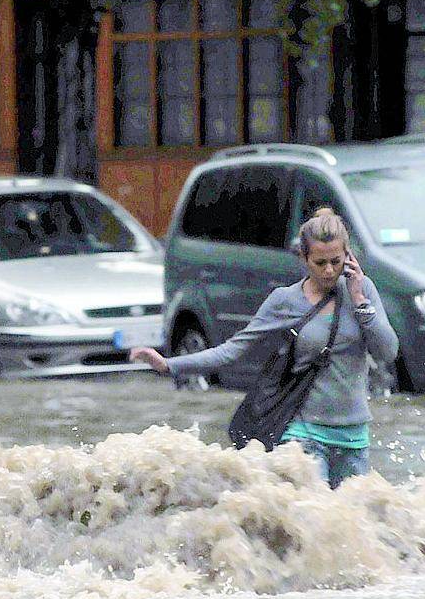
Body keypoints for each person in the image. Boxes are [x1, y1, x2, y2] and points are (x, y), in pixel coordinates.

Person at [130, 208, 399, 489]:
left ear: (348, 257)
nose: (329, 270)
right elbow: (233, 349)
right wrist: (169, 364)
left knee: (350, 522)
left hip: (354, 435)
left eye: (336, 261)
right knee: (313, 516)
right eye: (320, 263)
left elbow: (387, 351)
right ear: (304, 258)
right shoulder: (285, 300)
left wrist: (360, 301)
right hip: (303, 433)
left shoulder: (362, 290)